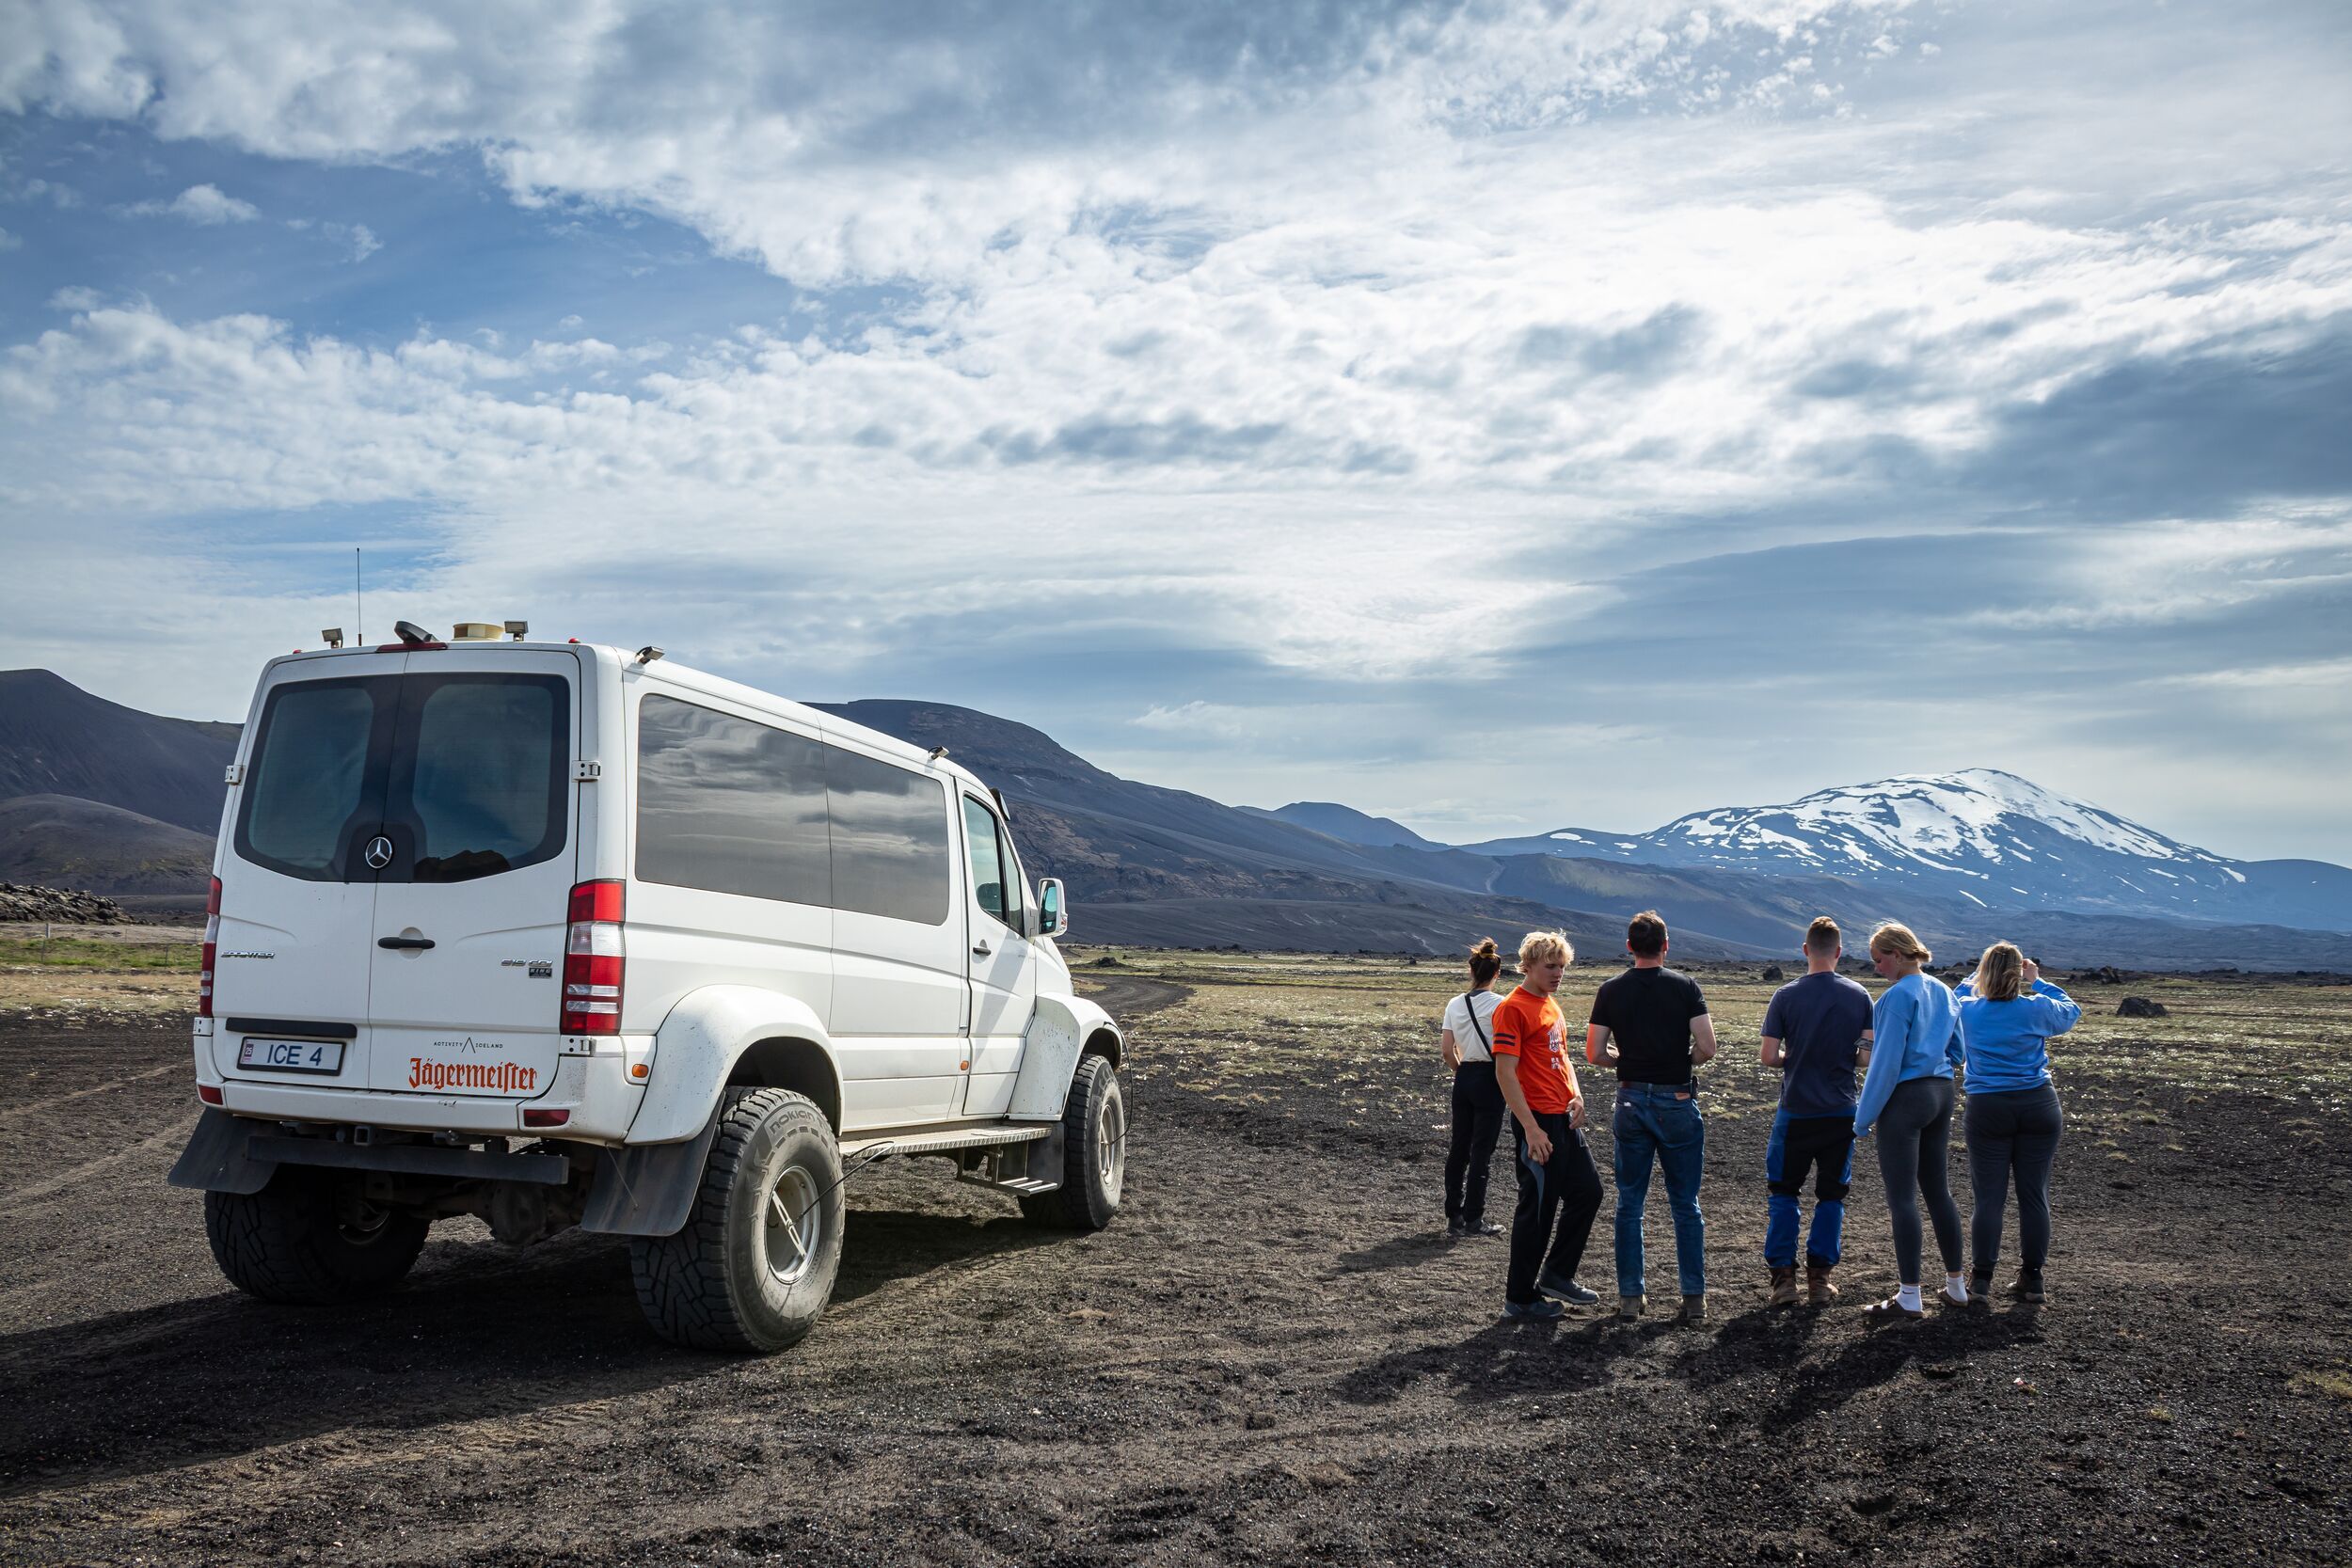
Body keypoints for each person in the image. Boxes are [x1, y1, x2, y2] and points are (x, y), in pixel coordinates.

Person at [1586, 910, 1718, 1325]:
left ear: (1629, 947)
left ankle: (1630, 1297)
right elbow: (1707, 1046)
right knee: (1686, 1204)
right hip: (1677, 1098)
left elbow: (1594, 1053)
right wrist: (1681, 1063)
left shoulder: (1610, 990)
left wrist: (1625, 1063)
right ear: (1665, 945)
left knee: (1630, 1203)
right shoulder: (1686, 987)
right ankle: (1693, 1298)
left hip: (1630, 1101)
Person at [1758, 916, 1875, 1308]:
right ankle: (1820, 1281)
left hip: (1796, 1112)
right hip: (1841, 1112)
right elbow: (1864, 1058)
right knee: (1831, 1195)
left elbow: (1768, 1057)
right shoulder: (1860, 996)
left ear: (1805, 950)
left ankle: (1783, 1281)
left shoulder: (1785, 996)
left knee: (1783, 1192)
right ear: (1839, 953)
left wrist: (1796, 1057)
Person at [1953, 942, 2079, 1305]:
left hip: (1988, 1107)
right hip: (2038, 1103)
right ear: (2019, 973)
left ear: (1986, 973)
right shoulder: (2036, 1008)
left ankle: (1980, 1281)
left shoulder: (1968, 1010)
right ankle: (2033, 1278)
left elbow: (1952, 999)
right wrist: (2039, 982)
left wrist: (1974, 977)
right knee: (2034, 1195)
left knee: (1989, 1198)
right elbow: (2071, 1011)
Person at [1853, 921, 1967, 1321]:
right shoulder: (1944, 991)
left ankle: (1909, 1295)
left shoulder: (1895, 998)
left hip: (1907, 1099)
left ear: (1898, 955)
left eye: (1879, 959)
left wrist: (1862, 1119)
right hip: (1941, 1092)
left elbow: (1883, 1066)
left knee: (1902, 1198)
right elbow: (1959, 1051)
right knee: (1939, 1192)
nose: (1876, 967)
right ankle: (1956, 1286)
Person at [1492, 929, 1606, 1321]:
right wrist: (1531, 1129)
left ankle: (1557, 1275)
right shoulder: (1513, 1008)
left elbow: (1564, 1057)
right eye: (1550, 966)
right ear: (1528, 966)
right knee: (1537, 1210)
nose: (1557, 973)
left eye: (1562, 967)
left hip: (1563, 1119)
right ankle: (1520, 1299)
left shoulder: (1549, 1004)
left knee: (1588, 1193)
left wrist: (1576, 1093)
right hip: (1537, 1121)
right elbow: (1505, 1074)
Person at [1439, 938, 1508, 1239]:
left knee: (1459, 1147)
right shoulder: (1502, 1005)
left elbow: (1446, 1050)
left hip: (1464, 1075)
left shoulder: (1455, 1004)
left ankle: (1453, 1214)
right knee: (1481, 1150)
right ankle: (1474, 1219)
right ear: (1497, 974)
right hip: (1491, 1077)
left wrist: (1462, 1072)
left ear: (1471, 971)